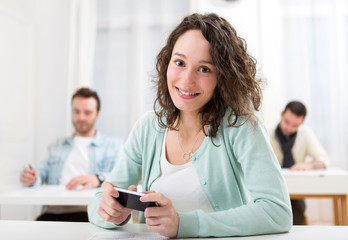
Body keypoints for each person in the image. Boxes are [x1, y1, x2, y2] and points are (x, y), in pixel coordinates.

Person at [88, 13, 292, 238]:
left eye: (204, 69)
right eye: (180, 63)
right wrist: (110, 212)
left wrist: (184, 224)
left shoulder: (240, 125)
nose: (186, 80)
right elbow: (99, 200)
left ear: (223, 77)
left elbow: (277, 211)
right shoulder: (148, 127)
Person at [20, 87, 123, 222]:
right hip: (53, 213)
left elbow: (121, 178)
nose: (81, 117)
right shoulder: (57, 146)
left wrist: (98, 179)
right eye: (76, 112)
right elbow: (41, 171)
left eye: (87, 112)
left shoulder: (112, 147)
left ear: (97, 114)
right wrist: (32, 177)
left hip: (90, 213)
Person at [269, 101, 330, 225]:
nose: (289, 128)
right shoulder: (267, 134)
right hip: (273, 189)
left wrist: (309, 165)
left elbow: (324, 160)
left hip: (297, 191)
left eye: (295, 125)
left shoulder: (305, 134)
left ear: (301, 123)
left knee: (296, 212)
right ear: (282, 114)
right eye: (287, 122)